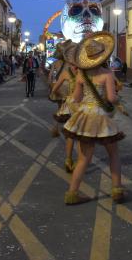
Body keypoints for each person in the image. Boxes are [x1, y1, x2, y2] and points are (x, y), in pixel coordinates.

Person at [62, 31, 125, 204]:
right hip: (101, 118)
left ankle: (72, 193)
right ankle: (117, 189)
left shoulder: (81, 75)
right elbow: (111, 99)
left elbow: (75, 99)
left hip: (84, 117)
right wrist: (118, 101)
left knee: (83, 158)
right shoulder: (108, 74)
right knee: (113, 154)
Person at [51, 41, 79, 173]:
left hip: (68, 103)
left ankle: (68, 159)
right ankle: (81, 161)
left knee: (70, 134)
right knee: (82, 135)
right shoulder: (84, 73)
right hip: (82, 107)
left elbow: (53, 82)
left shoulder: (64, 71)